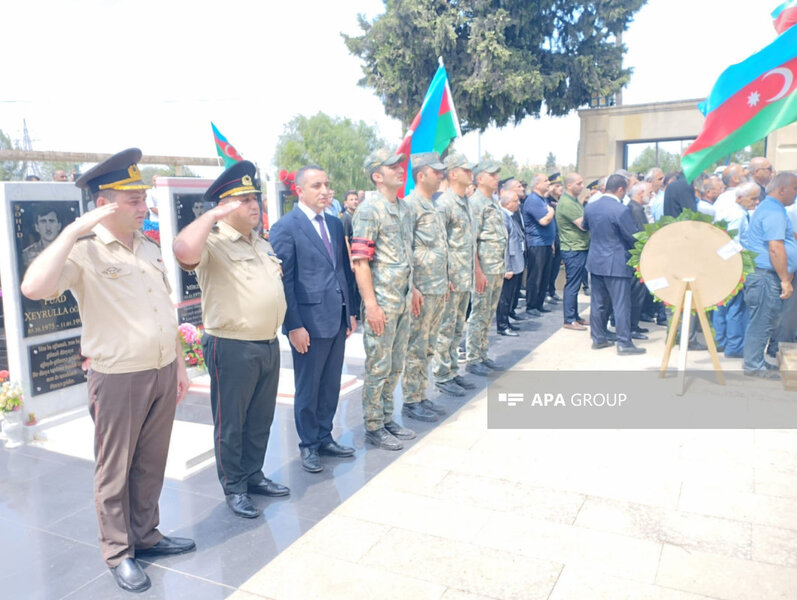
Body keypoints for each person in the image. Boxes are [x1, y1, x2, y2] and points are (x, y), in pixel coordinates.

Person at [20, 148, 194, 593]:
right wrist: (74, 230)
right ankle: (118, 551)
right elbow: (34, 287)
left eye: (143, 198)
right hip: (118, 378)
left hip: (159, 372)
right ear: (105, 204)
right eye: (133, 200)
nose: (143, 207)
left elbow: (165, 310)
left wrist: (178, 365)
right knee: (115, 469)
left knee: (151, 464)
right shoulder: (85, 253)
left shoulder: (149, 248)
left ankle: (146, 535)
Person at [172, 160, 289, 519]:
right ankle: (235, 487)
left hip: (267, 343)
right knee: (231, 423)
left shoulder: (261, 243)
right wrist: (213, 216)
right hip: (232, 345)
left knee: (260, 419)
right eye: (244, 199)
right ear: (224, 206)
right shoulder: (214, 243)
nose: (254, 205)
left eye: (255, 198)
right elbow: (182, 250)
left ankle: (253, 474)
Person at [270, 165, 357, 472]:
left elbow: (343, 270)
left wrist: (351, 311)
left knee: (330, 383)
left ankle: (324, 435)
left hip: (335, 316)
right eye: (316, 185)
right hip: (308, 321)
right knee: (309, 386)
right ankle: (308, 444)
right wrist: (293, 325)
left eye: (327, 184)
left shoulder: (334, 224)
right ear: (300, 191)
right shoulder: (285, 227)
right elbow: (285, 281)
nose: (324, 190)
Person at [351, 148, 416, 450]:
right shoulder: (368, 211)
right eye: (392, 166)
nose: (400, 169)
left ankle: (388, 417)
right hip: (383, 303)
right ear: (377, 176)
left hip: (402, 299)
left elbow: (405, 255)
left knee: (396, 363)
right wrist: (372, 305)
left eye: (400, 165)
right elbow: (360, 262)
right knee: (378, 365)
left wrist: (413, 288)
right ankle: (374, 425)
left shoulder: (403, 208)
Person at [400, 152, 449, 422]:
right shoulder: (411, 206)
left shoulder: (433, 205)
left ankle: (420, 395)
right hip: (422, 289)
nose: (441, 175)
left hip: (437, 285)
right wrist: (413, 287)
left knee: (429, 345)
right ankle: (410, 400)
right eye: (436, 171)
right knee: (416, 347)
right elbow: (406, 250)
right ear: (421, 175)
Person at [741, 172, 797, 378]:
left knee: (764, 320)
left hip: (763, 275)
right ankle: (754, 366)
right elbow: (775, 248)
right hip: (765, 276)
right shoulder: (774, 211)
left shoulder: (772, 209)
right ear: (782, 189)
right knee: (762, 322)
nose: (796, 193)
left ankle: (756, 361)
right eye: (795, 188)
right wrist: (785, 279)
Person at [583, 173, 646, 355]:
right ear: (620, 189)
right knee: (621, 304)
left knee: (598, 302)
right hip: (616, 262)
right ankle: (624, 343)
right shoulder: (621, 210)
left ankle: (598, 338)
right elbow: (632, 236)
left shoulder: (591, 207)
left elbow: (586, 226)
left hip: (595, 261)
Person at [432, 153, 478, 396]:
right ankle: (441, 374)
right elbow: (440, 243)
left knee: (458, 327)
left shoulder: (465, 202)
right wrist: (446, 276)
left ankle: (451, 371)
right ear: (452, 174)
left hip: (465, 277)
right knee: (446, 328)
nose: (471, 173)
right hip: (451, 279)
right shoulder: (444, 204)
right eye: (466, 170)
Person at [465, 160, 507, 375]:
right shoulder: (476, 204)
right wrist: (477, 271)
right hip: (485, 269)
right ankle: (473, 358)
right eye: (492, 175)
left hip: (496, 267)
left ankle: (482, 353)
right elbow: (472, 241)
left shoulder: (492, 202)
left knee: (488, 313)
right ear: (479, 178)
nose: (496, 178)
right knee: (479, 313)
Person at [712, 181, 759, 358]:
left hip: (726, 264)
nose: (756, 202)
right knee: (736, 307)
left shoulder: (732, 211)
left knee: (724, 305)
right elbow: (731, 243)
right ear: (740, 198)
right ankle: (734, 346)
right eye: (753, 199)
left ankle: (723, 341)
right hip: (735, 264)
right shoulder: (738, 216)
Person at [555, 172, 590, 331]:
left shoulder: (573, 201)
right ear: (568, 185)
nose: (582, 186)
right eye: (578, 183)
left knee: (575, 285)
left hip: (579, 246)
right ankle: (569, 319)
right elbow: (583, 224)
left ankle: (575, 316)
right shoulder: (567, 204)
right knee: (573, 285)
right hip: (573, 248)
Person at [496, 189, 525, 336]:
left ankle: (506, 321)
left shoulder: (510, 216)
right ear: (507, 203)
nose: (519, 203)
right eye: (515, 201)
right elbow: (504, 245)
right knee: (504, 297)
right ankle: (502, 325)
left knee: (510, 295)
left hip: (516, 262)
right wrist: (506, 267)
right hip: (510, 265)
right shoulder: (502, 217)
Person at [546, 172, 563, 303]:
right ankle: (547, 291)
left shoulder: (561, 200)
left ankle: (552, 290)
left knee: (556, 265)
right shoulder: (547, 200)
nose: (560, 188)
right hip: (551, 237)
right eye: (557, 185)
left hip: (559, 236)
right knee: (549, 266)